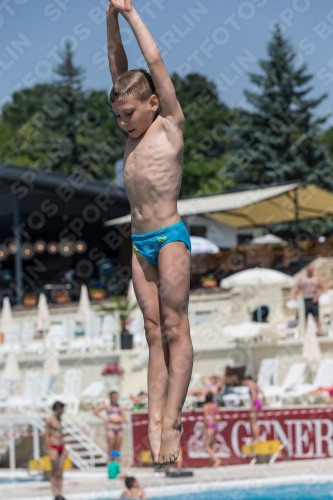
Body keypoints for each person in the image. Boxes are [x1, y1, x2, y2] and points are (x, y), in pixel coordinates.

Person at [106, 0, 193, 468]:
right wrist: (109, 19)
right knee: (153, 329)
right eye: (119, 116)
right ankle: (155, 417)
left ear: (153, 103)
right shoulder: (132, 134)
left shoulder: (169, 127)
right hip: (139, 244)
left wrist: (131, 11)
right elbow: (118, 67)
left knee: (176, 325)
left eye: (129, 114)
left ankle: (174, 418)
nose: (123, 122)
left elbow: (153, 62)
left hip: (170, 236)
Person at [45, 401, 67, 500]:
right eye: (62, 409)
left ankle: (60, 493)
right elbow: (47, 436)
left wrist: (65, 448)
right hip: (53, 446)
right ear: (57, 408)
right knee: (54, 472)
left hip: (61, 446)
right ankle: (54, 494)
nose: (63, 411)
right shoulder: (49, 420)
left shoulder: (59, 420)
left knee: (61, 472)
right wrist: (50, 449)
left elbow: (61, 435)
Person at [94, 391, 126, 459]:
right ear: (111, 398)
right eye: (114, 397)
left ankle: (117, 464)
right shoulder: (107, 406)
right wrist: (104, 419)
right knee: (111, 446)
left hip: (118, 427)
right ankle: (110, 463)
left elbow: (123, 418)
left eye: (116, 397)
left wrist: (116, 420)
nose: (115, 399)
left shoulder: (120, 407)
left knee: (118, 447)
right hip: (111, 428)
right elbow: (95, 411)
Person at [294, 264, 324, 335]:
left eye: (311, 270)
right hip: (305, 298)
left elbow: (322, 288)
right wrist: (295, 295)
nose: (310, 271)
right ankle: (305, 332)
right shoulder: (302, 278)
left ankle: (319, 331)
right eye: (308, 270)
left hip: (314, 298)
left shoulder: (316, 278)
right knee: (305, 317)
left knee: (317, 316)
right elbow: (298, 288)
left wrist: (317, 297)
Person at [243, 376, 264, 443]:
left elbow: (254, 394)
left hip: (255, 403)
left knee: (253, 423)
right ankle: (257, 438)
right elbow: (262, 393)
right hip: (258, 402)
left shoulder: (250, 384)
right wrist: (262, 402)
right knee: (255, 422)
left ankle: (256, 438)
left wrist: (252, 405)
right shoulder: (255, 384)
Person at [203, 392, 221, 467]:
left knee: (207, 446)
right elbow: (218, 417)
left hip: (209, 426)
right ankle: (210, 464)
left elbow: (205, 418)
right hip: (215, 426)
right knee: (212, 446)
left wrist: (205, 427)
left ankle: (217, 460)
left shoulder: (206, 406)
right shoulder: (215, 406)